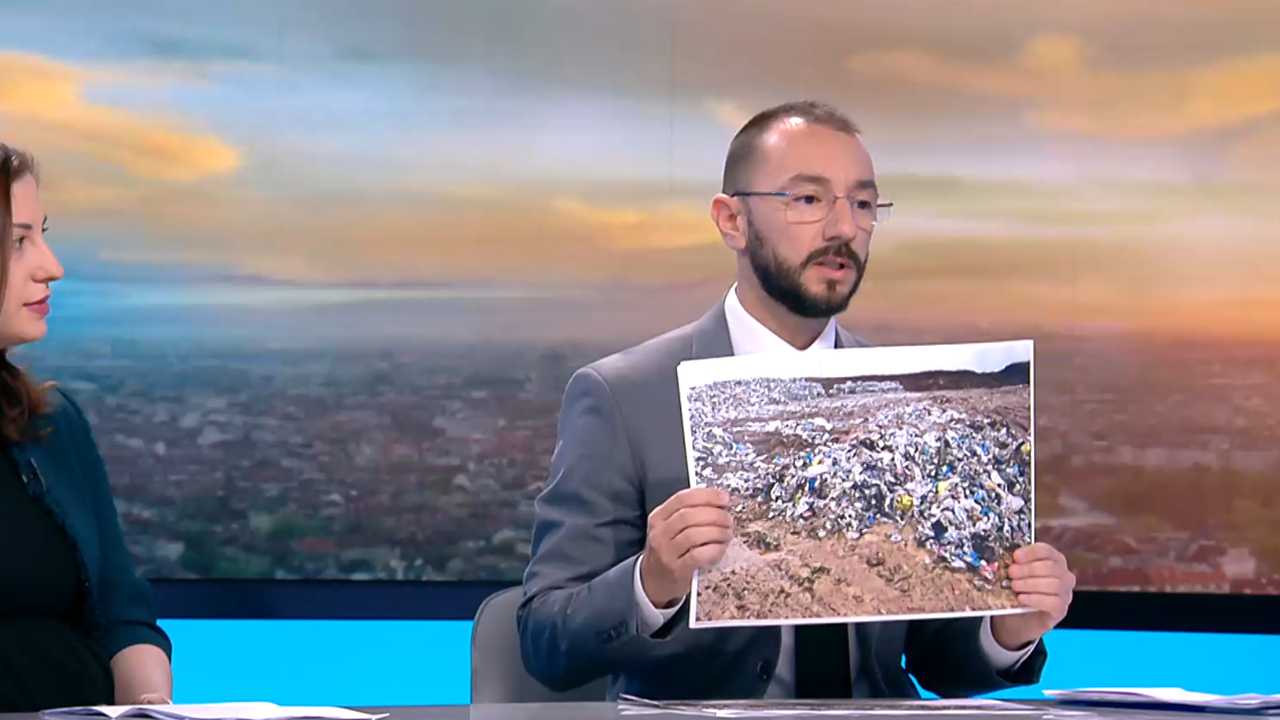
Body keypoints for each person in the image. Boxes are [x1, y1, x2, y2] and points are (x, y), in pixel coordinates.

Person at [517, 101, 1076, 701]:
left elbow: (938, 660)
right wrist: (650, 583)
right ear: (732, 221)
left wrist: (1006, 630)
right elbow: (545, 640)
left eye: (863, 204)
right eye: (808, 199)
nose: (843, 228)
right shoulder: (623, 396)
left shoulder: (906, 394)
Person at [0, 143, 174, 712]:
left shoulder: (53, 425)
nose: (52, 266)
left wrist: (149, 705)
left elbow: (123, 615)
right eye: (19, 241)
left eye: (42, 234)